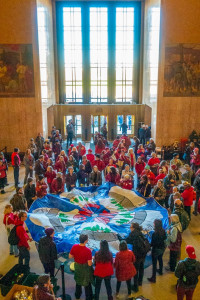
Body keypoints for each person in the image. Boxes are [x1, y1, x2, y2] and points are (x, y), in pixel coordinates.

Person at [69, 234, 93, 300]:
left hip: (77, 267)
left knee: (78, 281)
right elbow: (90, 264)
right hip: (85, 268)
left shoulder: (74, 246)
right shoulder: (88, 250)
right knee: (87, 283)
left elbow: (70, 256)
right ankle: (88, 297)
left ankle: (77, 295)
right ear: (86, 241)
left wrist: (77, 256)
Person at [124, 223, 147, 292]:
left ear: (133, 228)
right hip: (143, 254)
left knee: (135, 271)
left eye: (130, 227)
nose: (130, 228)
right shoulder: (140, 233)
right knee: (141, 268)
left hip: (137, 255)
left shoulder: (133, 234)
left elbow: (127, 240)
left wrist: (118, 237)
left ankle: (135, 286)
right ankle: (140, 282)